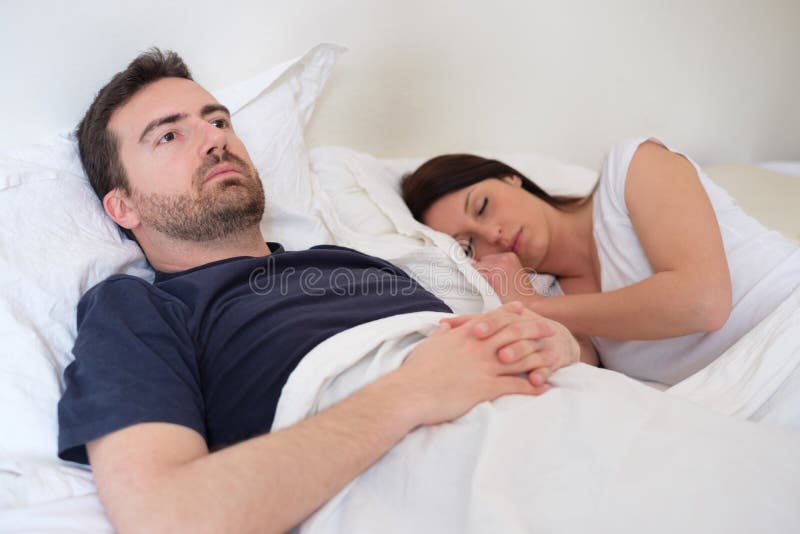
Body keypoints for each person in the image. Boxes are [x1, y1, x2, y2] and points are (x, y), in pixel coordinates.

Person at [56, 49, 581, 534]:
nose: (215, 138)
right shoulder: (135, 308)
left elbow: (470, 359)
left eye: (217, 121)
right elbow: (166, 516)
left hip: (569, 422)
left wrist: (555, 342)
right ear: (123, 207)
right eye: (169, 136)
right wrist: (411, 392)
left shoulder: (346, 260)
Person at [402, 146, 800, 386]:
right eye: (469, 245)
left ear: (509, 178)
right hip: (750, 404)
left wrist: (532, 307)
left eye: (483, 206)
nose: (494, 234)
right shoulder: (549, 300)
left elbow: (704, 304)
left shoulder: (631, 170)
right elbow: (574, 360)